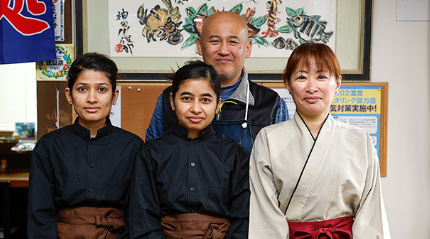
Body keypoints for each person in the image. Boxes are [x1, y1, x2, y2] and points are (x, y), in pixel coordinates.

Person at [248, 43, 391, 238]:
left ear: (338, 84)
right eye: (301, 77)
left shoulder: (360, 140)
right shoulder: (268, 139)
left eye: (321, 76)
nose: (312, 87)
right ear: (288, 84)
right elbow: (264, 215)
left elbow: (371, 215)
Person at [27, 53, 144, 238]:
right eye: (82, 89)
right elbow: (40, 215)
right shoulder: (49, 147)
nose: (91, 98)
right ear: (69, 95)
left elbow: (138, 214)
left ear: (114, 96)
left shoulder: (133, 147)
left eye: (101, 89)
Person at [129, 61, 249, 238]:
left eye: (205, 100)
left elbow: (243, 218)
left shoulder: (234, 154)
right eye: (186, 98)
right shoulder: (152, 153)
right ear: (172, 101)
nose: (195, 108)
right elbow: (142, 216)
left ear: (217, 105)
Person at [145, 11, 289, 153]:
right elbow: (151, 158)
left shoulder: (272, 104)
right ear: (199, 46)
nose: (224, 50)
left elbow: (281, 166)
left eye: (233, 42)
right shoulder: (168, 99)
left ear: (248, 48)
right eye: (215, 41)